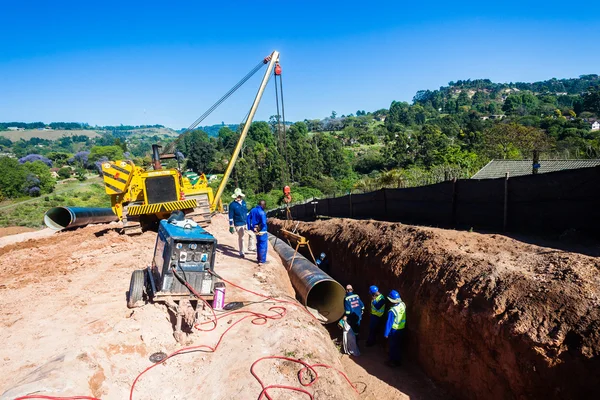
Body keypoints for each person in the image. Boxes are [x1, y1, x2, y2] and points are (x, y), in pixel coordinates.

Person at [384, 290, 406, 367]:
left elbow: (389, 323)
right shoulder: (403, 305)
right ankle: (398, 361)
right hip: (402, 329)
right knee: (398, 346)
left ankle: (392, 362)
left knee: (392, 346)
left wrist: (386, 333)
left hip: (394, 330)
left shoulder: (392, 310)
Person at [228, 188, 248, 258]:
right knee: (241, 237)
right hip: (238, 223)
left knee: (252, 235)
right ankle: (241, 252)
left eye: (240, 196)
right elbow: (230, 216)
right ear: (235, 196)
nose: (239, 197)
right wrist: (231, 226)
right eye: (238, 196)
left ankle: (250, 248)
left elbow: (246, 212)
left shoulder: (244, 203)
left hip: (245, 222)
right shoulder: (232, 205)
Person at [248, 200, 268, 266]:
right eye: (265, 205)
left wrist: (250, 227)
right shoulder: (262, 212)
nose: (265, 207)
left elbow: (248, 218)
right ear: (263, 205)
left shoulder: (253, 210)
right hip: (262, 231)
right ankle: (262, 261)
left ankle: (259, 259)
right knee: (263, 246)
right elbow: (264, 223)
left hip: (256, 231)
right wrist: (259, 228)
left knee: (258, 244)